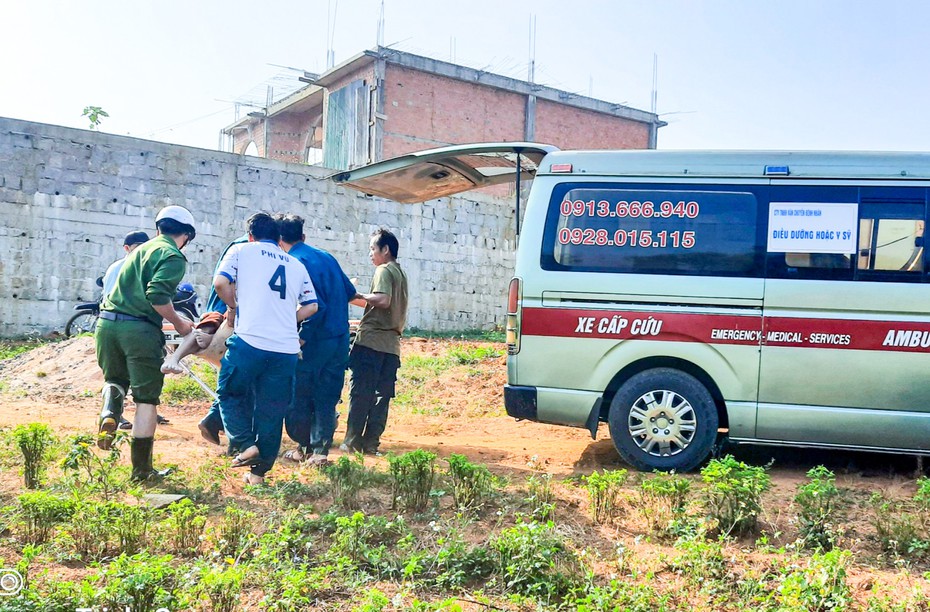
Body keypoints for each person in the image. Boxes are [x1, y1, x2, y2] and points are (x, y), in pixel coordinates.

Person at [214, 212, 318, 485]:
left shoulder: (241, 251)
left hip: (250, 341)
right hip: (285, 349)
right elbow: (312, 305)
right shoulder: (296, 264)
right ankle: (258, 475)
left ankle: (245, 443)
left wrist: (234, 306)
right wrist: (286, 318)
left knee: (230, 391)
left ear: (251, 236)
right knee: (272, 410)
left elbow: (221, 283)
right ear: (279, 239)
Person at [95, 205, 196, 481]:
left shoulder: (139, 250)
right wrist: (180, 323)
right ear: (187, 235)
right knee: (146, 400)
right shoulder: (172, 255)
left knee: (114, 379)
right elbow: (157, 295)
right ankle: (142, 471)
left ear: (158, 228)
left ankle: (109, 411)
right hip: (138, 330)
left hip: (105, 325)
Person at [277, 214, 357, 466]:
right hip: (339, 338)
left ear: (279, 240)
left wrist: (301, 338)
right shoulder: (326, 257)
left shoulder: (293, 263)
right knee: (327, 395)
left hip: (315, 341)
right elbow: (349, 292)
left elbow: (314, 306)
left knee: (301, 394)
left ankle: (303, 447)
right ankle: (320, 452)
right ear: (303, 236)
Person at [341, 228, 408, 455]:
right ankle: (371, 444)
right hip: (391, 346)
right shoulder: (400, 273)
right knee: (381, 397)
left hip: (371, 342)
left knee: (361, 393)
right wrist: (356, 299)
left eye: (372, 248)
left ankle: (351, 442)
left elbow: (382, 300)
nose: (370, 254)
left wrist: (357, 294)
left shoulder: (383, 270)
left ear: (385, 250)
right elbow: (378, 303)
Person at [102, 230, 150, 297]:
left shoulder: (148, 267)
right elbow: (109, 297)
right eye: (139, 247)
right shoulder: (117, 268)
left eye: (146, 246)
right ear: (127, 248)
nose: (143, 250)